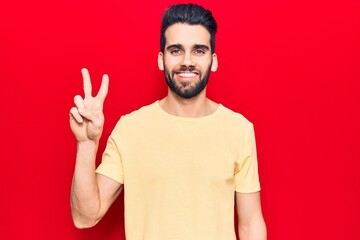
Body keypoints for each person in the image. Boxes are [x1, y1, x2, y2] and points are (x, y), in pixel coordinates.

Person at [69, 3, 267, 240]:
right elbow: (85, 217)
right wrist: (86, 145)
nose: (187, 61)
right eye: (176, 50)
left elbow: (250, 223)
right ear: (161, 60)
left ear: (213, 61)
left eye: (199, 50)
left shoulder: (239, 129)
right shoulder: (130, 128)